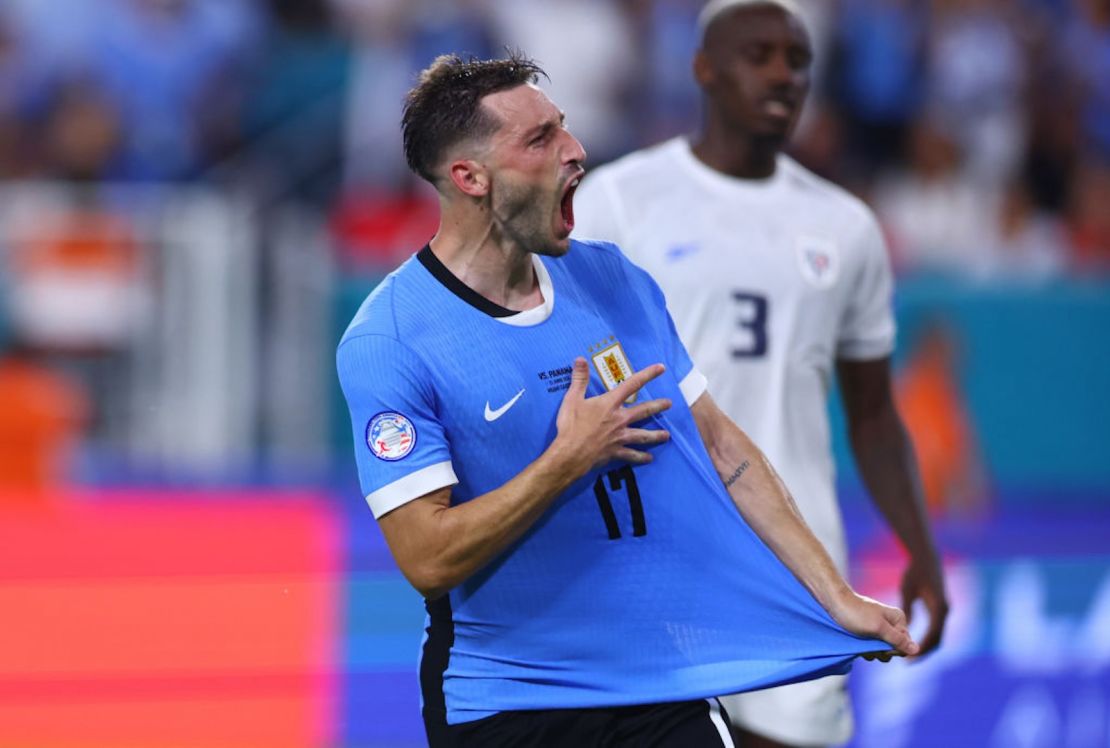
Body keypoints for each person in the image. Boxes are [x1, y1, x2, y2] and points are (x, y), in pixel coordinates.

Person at [336, 52, 918, 748]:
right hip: (508, 700)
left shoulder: (614, 280)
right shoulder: (391, 338)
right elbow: (426, 557)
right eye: (540, 139)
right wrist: (568, 459)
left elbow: (723, 451)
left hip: (658, 685)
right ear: (470, 178)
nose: (575, 152)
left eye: (565, 128)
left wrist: (835, 595)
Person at [573, 2, 949, 747]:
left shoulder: (847, 227)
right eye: (760, 54)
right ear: (703, 66)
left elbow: (873, 415)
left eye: (798, 58)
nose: (784, 73)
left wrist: (921, 549)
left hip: (797, 561)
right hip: (657, 562)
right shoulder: (618, 200)